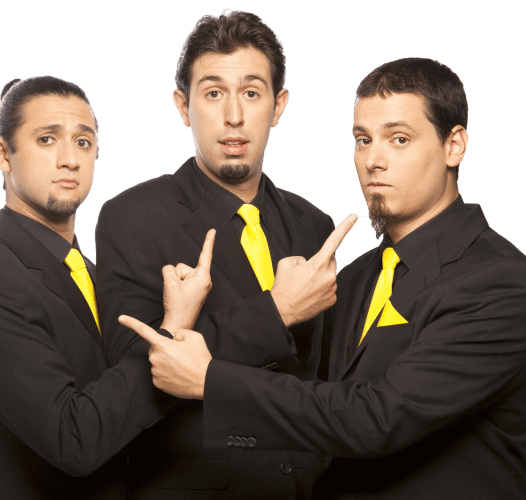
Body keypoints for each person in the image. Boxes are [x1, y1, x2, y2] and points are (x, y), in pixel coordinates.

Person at [122, 57, 526, 499]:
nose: (373, 161)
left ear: (454, 145)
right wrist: (180, 324)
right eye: (363, 140)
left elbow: (377, 419)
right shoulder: (354, 277)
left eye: (399, 139)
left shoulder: (501, 283)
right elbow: (312, 404)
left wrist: (210, 380)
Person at [95, 8, 346, 499]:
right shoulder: (132, 217)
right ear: (183, 105)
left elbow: (323, 381)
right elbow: (134, 371)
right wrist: (277, 312)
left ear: (279, 105)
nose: (234, 116)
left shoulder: (314, 225)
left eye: (252, 93)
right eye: (213, 94)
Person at [0, 75, 214, 499]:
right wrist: (170, 332)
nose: (70, 160)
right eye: (46, 139)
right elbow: (74, 439)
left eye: (83, 142)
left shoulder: (96, 277)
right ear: (2, 153)